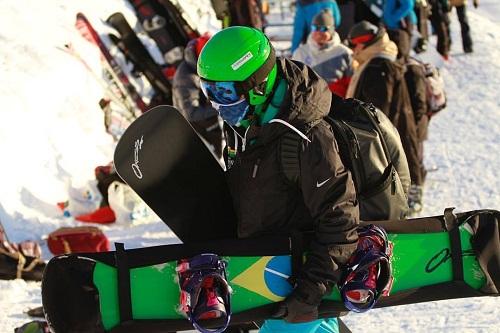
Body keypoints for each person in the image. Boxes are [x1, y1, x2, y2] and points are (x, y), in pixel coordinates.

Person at [197, 26, 359, 333]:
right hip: (261, 286)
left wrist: (309, 295)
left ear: (258, 85)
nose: (218, 103)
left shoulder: (307, 137)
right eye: (210, 91)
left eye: (225, 92)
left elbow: (340, 222)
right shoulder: (245, 124)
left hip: (299, 297)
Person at [345, 21, 422, 209]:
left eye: (355, 44)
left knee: (396, 166)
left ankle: (408, 200)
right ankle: (411, 195)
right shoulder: (384, 58)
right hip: (400, 125)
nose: (354, 49)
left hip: (390, 132)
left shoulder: (378, 66)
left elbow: (376, 112)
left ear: (365, 43)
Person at [173, 34, 224, 160]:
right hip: (197, 127)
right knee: (212, 158)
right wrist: (221, 106)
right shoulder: (186, 78)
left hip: (209, 118)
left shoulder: (202, 69)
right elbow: (191, 113)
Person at [292, 9, 354, 97]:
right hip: (310, 104)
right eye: (315, 28)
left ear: (331, 30)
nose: (318, 32)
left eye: (323, 29)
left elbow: (352, 83)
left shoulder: (344, 53)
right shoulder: (300, 53)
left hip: (336, 104)